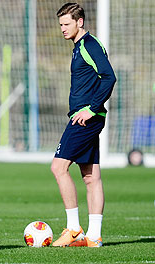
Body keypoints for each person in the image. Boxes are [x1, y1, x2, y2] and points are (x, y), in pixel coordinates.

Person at [51, 3, 116, 248]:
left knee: (58, 167)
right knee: (91, 177)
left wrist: (91, 108)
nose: (63, 29)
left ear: (80, 22)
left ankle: (74, 229)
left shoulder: (90, 45)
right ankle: (94, 236)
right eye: (60, 25)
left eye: (67, 24)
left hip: (85, 118)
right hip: (86, 116)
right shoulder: (78, 47)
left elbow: (109, 76)